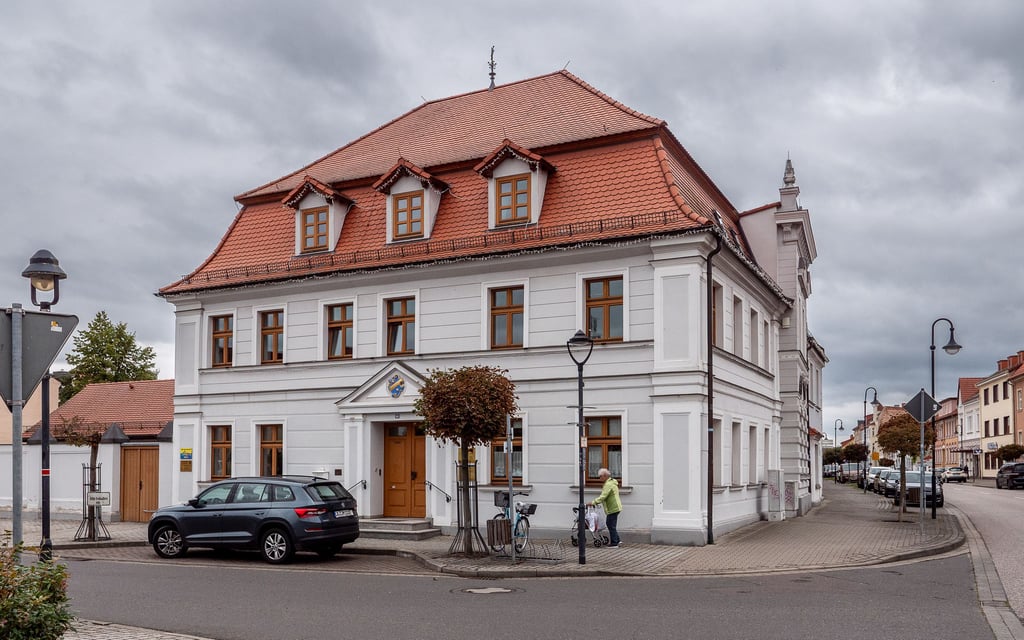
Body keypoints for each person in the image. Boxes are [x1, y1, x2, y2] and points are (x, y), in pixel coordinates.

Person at [591, 468, 622, 548]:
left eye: (600, 476)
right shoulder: (611, 482)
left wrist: (592, 502)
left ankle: (614, 543)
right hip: (615, 507)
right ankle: (617, 540)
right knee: (611, 524)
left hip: (613, 507)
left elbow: (603, 496)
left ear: (605, 476)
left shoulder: (608, 484)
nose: (599, 478)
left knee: (610, 524)